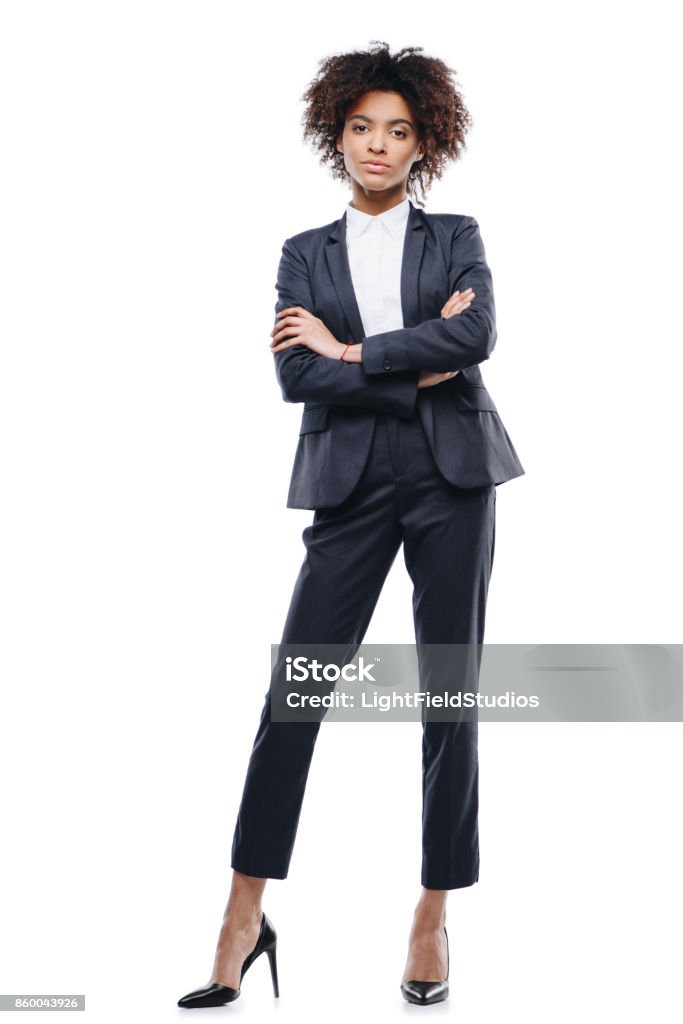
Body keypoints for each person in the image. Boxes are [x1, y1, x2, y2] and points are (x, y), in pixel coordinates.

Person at [178, 40, 524, 1010]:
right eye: (363, 128)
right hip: (350, 486)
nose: (379, 145)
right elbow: (296, 374)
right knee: (297, 687)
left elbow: (476, 335)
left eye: (399, 132)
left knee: (446, 694)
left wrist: (355, 349)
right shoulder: (302, 253)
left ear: (425, 144)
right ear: (337, 134)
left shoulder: (456, 233)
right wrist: (411, 365)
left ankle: (431, 911)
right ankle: (243, 912)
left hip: (454, 480)